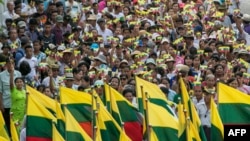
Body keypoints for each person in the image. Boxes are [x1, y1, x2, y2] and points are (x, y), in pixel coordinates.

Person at [0, 58, 22, 135]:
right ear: (6, 65)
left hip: (17, 104)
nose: (11, 65)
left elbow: (21, 88)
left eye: (12, 63)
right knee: (8, 123)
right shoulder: (1, 75)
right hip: (7, 103)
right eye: (9, 63)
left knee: (17, 123)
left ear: (14, 64)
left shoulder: (18, 74)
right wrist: (1, 104)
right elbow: (0, 91)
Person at [9, 59, 26, 130]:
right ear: (15, 84)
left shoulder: (25, 91)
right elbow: (11, 83)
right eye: (17, 82)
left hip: (23, 113)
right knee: (15, 129)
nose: (19, 83)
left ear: (23, 83)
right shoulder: (13, 90)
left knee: (22, 129)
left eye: (21, 81)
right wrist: (12, 72)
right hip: (15, 113)